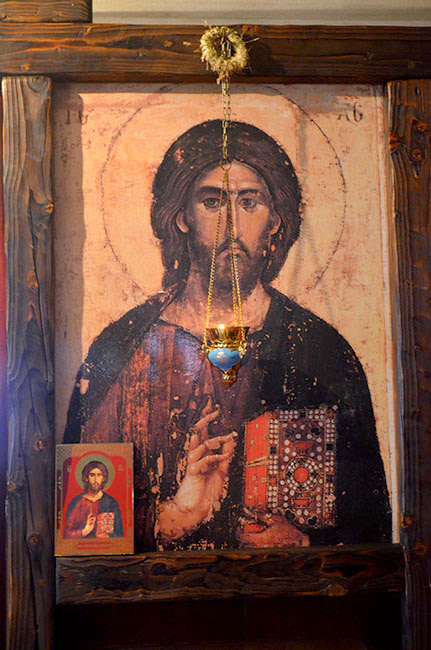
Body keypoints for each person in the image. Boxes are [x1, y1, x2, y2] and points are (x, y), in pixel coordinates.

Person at [64, 120, 391, 551]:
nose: (231, 225)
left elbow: (370, 528)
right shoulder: (125, 348)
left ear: (275, 220)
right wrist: (173, 518)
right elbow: (79, 533)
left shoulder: (321, 352)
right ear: (181, 216)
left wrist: (302, 542)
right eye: (213, 202)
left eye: (249, 202)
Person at [64, 460, 124, 539]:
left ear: (103, 478)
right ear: (86, 478)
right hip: (82, 545)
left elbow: (120, 533)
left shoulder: (111, 502)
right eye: (92, 475)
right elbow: (66, 534)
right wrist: (84, 531)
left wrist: (108, 536)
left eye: (99, 475)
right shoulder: (76, 502)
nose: (96, 480)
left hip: (105, 545)